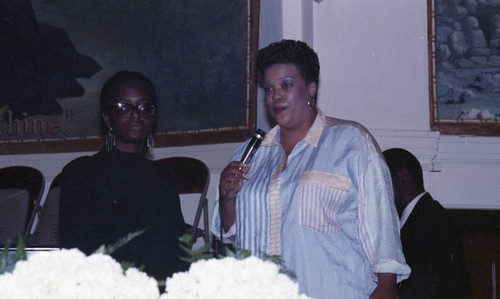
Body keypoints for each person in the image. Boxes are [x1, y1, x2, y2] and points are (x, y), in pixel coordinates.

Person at [210, 40, 410, 299]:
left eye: (287, 85)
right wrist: (229, 200)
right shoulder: (249, 154)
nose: (275, 96)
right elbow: (232, 239)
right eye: (269, 88)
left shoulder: (351, 142)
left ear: (311, 88)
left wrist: (386, 285)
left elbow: (381, 225)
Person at [59, 70, 189, 281]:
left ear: (153, 117)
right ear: (107, 118)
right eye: (123, 107)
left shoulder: (163, 177)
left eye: (144, 107)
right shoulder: (81, 173)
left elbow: (178, 252)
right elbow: (76, 255)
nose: (136, 114)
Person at [383, 148, 473, 298]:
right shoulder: (425, 218)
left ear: (403, 178)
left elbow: (425, 289)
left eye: (382, 182)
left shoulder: (432, 222)